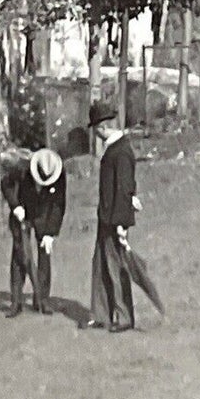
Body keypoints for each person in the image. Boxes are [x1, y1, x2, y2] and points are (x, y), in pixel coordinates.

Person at [88, 99, 139, 332]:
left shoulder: (121, 152)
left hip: (114, 219)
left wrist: (122, 223)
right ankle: (102, 314)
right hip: (105, 216)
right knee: (100, 265)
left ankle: (125, 316)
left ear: (102, 127)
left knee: (116, 267)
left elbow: (125, 187)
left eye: (96, 128)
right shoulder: (114, 149)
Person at [0, 145, 67, 316]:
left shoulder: (59, 174)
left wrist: (51, 233)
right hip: (22, 212)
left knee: (44, 252)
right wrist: (15, 206)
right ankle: (16, 302)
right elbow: (5, 184)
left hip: (43, 214)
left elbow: (59, 204)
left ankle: (41, 299)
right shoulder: (21, 168)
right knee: (19, 254)